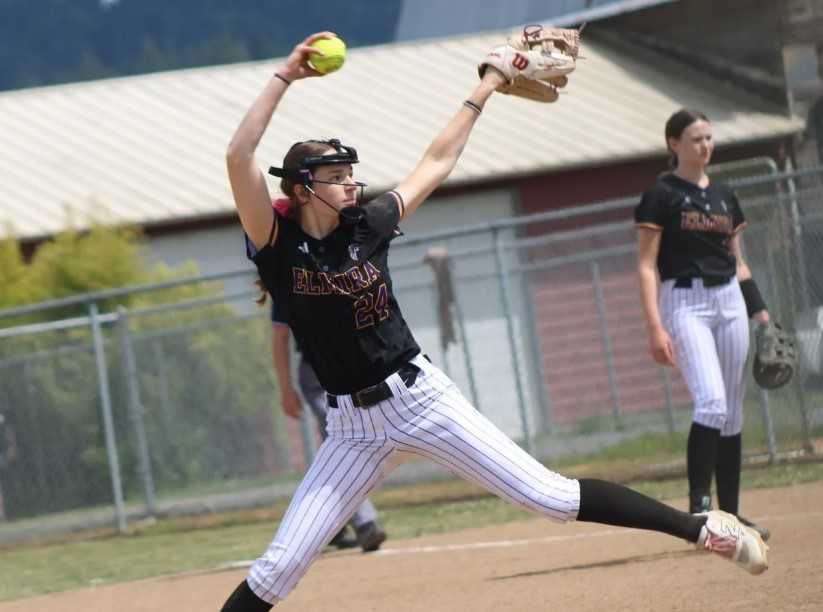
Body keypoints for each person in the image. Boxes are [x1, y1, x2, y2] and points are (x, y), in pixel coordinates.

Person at [221, 33, 769, 611]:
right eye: (337, 176)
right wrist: (285, 75)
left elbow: (437, 160)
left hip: (419, 398)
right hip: (351, 430)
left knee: (550, 498)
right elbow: (238, 156)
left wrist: (487, 82)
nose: (351, 182)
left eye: (351, 172)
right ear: (304, 189)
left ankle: (703, 527)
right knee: (278, 568)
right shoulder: (276, 243)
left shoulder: (368, 224)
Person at [634, 109, 772, 541]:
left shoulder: (725, 195)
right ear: (674, 144)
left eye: (709, 138)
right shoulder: (662, 193)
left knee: (731, 412)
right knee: (711, 402)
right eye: (696, 139)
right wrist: (655, 327)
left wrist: (760, 312)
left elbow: (739, 261)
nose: (705, 146)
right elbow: (645, 266)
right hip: (686, 301)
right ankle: (700, 514)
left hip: (730, 298)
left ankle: (730, 516)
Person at [270, 296, 387, 552]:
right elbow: (280, 336)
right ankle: (365, 522)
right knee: (345, 441)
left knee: (341, 446)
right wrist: (285, 389)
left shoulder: (334, 266)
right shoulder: (289, 276)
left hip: (351, 362)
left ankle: (330, 523)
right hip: (318, 370)